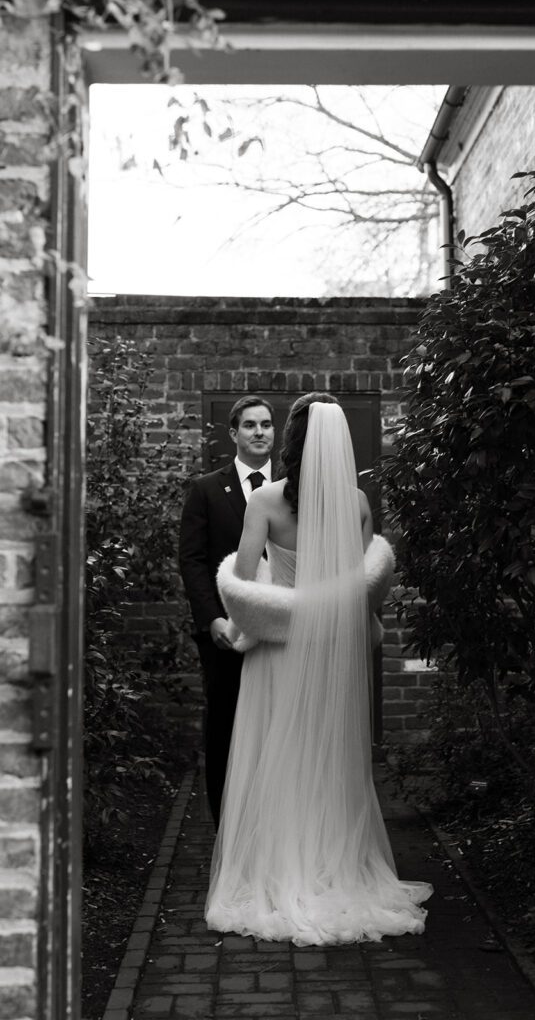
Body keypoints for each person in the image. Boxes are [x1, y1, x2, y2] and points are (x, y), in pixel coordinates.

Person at [204, 392, 432, 945]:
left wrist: (257, 611)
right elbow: (362, 589)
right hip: (332, 651)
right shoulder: (355, 502)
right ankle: (333, 868)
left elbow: (238, 581)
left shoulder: (268, 503)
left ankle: (279, 870)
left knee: (276, 758)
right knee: (328, 756)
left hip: (279, 652)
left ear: (293, 441)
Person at [178, 395, 275, 830]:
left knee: (278, 726)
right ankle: (226, 825)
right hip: (226, 632)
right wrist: (212, 618)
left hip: (280, 631)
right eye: (251, 425)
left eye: (267, 424)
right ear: (233, 434)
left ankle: (276, 822)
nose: (260, 432)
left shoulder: (293, 487)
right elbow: (192, 560)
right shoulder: (206, 490)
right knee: (225, 726)